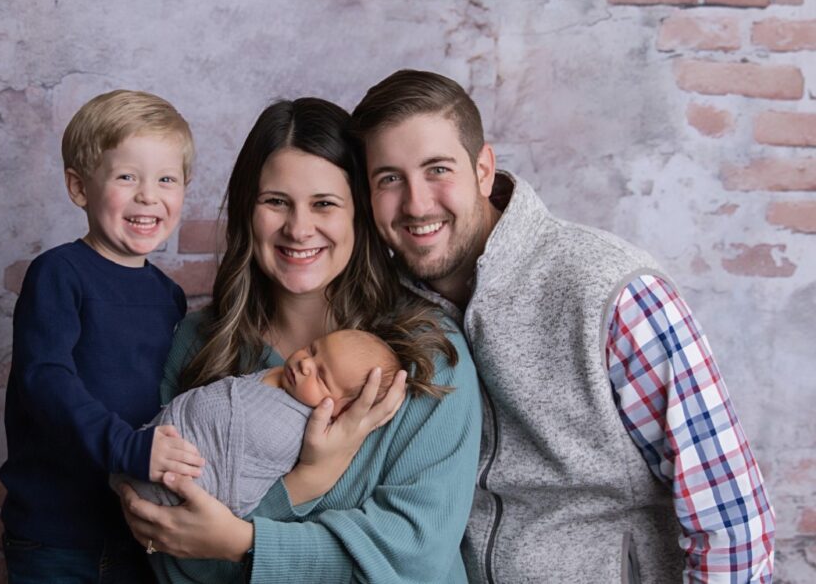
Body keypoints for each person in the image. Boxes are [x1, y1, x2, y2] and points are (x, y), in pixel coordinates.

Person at [350, 69, 776, 583]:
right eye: (389, 178)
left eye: (438, 169)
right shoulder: (382, 313)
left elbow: (732, 525)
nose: (417, 204)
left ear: (484, 170)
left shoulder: (609, 290)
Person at [120, 97, 482, 583]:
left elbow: (416, 555)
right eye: (276, 202)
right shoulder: (199, 343)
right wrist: (297, 491)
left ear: (359, 213)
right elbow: (172, 549)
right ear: (249, 209)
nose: (299, 228)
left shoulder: (426, 354)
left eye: (325, 204)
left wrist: (245, 543)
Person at [0, 90, 205, 583]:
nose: (148, 195)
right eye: (126, 176)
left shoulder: (168, 295)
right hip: (57, 535)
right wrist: (127, 447)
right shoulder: (58, 274)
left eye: (166, 179)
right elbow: (45, 381)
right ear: (78, 187)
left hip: (137, 527)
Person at [113, 329, 442, 518]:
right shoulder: (202, 336)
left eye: (322, 377)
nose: (304, 364)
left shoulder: (294, 429)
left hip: (185, 494)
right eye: (313, 349)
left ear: (343, 412)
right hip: (151, 453)